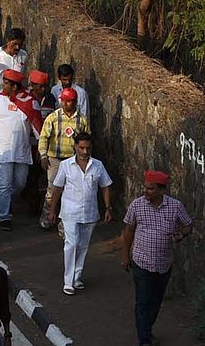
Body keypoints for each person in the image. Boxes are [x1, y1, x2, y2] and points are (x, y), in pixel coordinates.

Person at [121, 170, 193, 346]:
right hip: (141, 262)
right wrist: (125, 256)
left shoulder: (175, 206)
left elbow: (188, 225)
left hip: (163, 264)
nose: (145, 191)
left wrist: (181, 235)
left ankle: (146, 329)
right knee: (143, 301)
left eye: (150, 189)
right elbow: (129, 231)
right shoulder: (137, 206)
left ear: (162, 190)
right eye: (145, 187)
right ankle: (144, 340)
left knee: (156, 301)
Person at [48, 133, 112, 295]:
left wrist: (108, 208)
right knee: (71, 244)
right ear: (75, 146)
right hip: (69, 211)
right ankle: (68, 281)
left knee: (83, 246)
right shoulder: (66, 165)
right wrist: (52, 210)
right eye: (81, 148)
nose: (85, 151)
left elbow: (105, 186)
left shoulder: (97, 165)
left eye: (88, 148)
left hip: (90, 212)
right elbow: (58, 188)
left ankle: (77, 277)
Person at [0, 69, 36, 230]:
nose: (3, 85)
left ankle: (5, 201)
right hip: (2, 150)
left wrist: (41, 148)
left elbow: (36, 126)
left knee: (20, 183)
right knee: (3, 185)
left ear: (15, 86)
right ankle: (4, 216)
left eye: (6, 83)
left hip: (21, 150)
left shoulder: (28, 101)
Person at [38, 88, 91, 229]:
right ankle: (48, 215)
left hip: (73, 160)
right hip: (55, 159)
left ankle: (65, 222)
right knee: (52, 189)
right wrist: (43, 156)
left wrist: (85, 160)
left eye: (70, 101)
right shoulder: (53, 118)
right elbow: (44, 137)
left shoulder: (82, 120)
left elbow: (86, 140)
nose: (66, 104)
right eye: (64, 101)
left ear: (75, 102)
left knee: (70, 192)